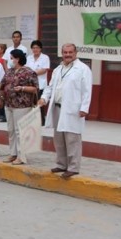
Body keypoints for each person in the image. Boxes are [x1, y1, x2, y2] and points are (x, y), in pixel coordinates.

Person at [38, 44, 92, 179]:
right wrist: (44, 98)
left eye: (70, 52)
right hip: (57, 108)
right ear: (61, 53)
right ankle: (61, 164)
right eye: (65, 52)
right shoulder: (58, 69)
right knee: (59, 138)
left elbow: (87, 91)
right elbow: (50, 87)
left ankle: (73, 167)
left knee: (72, 139)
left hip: (72, 109)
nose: (68, 55)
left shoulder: (83, 69)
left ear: (76, 53)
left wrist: (84, 108)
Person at [0, 50, 39, 165]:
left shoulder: (29, 72)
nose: (10, 61)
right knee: (11, 130)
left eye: (11, 58)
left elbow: (35, 88)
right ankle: (13, 153)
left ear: (18, 59)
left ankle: (22, 156)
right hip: (9, 104)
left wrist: (22, 88)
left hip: (22, 105)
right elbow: (3, 84)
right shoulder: (9, 71)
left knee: (20, 131)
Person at [26, 40, 51, 125]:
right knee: (30, 103)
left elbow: (44, 70)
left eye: (37, 48)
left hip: (41, 84)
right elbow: (26, 69)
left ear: (40, 48)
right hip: (30, 84)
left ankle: (41, 121)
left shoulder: (45, 57)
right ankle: (31, 121)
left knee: (39, 103)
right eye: (33, 48)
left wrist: (32, 73)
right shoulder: (29, 57)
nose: (35, 49)